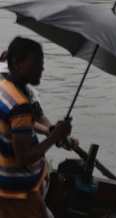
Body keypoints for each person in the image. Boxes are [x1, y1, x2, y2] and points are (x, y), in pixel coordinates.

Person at [0, 37, 72, 218]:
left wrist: (51, 130)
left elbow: (22, 123)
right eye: (36, 64)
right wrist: (54, 137)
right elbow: (24, 158)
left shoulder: (5, 89)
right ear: (17, 64)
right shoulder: (19, 105)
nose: (41, 68)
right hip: (19, 190)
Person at [0, 50, 79, 149]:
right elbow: (21, 120)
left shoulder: (27, 92)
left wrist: (60, 137)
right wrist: (48, 132)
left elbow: (40, 118)